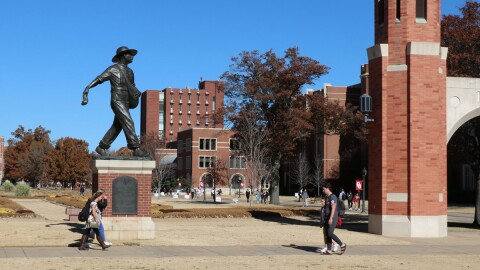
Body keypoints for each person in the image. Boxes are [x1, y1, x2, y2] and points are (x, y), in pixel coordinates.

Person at [81, 46, 148, 157]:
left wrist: (136, 93)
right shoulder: (113, 69)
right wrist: (87, 88)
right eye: (129, 54)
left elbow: (132, 86)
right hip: (117, 99)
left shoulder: (131, 72)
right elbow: (99, 78)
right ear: (122, 56)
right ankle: (135, 148)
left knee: (117, 126)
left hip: (126, 101)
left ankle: (102, 146)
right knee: (128, 122)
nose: (132, 57)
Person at [318, 181, 346, 255]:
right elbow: (327, 208)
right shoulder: (327, 197)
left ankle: (342, 244)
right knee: (327, 234)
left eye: (324, 189)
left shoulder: (332, 196)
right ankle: (329, 250)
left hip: (332, 218)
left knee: (330, 233)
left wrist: (331, 218)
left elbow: (333, 208)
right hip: (327, 217)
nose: (323, 191)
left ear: (328, 188)